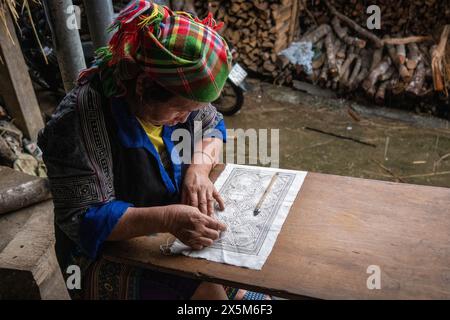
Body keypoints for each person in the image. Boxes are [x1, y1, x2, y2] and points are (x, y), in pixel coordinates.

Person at [38, 0, 247, 300]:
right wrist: (167, 219)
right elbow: (84, 219)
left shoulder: (180, 96)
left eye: (193, 109)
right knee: (210, 294)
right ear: (143, 87)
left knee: (244, 287)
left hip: (169, 233)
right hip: (103, 255)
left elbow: (212, 126)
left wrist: (199, 170)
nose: (187, 118)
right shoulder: (79, 121)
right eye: (179, 110)